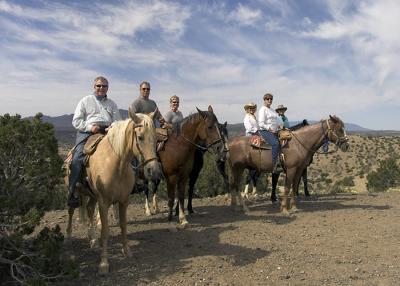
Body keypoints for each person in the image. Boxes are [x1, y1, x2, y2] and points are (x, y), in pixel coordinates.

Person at [68, 76, 122, 208]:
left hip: (108, 132)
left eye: (104, 86)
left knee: (126, 151)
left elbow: (118, 120)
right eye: (99, 86)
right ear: (94, 87)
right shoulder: (85, 101)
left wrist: (112, 127)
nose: (101, 88)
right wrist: (90, 127)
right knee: (77, 157)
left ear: (107, 88)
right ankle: (73, 190)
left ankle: (131, 184)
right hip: (88, 132)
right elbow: (76, 121)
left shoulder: (112, 104)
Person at [258, 93, 283, 173]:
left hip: (275, 131)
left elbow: (277, 121)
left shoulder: (272, 110)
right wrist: (270, 129)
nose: (269, 100)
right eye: (267, 99)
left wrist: (280, 126)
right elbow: (261, 123)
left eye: (271, 99)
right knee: (275, 143)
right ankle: (274, 165)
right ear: (264, 100)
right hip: (265, 131)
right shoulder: (263, 109)